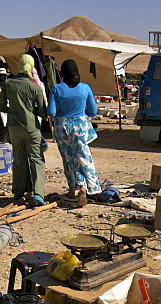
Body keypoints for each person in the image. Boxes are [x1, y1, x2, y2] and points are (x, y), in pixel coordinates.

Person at [48, 59, 101, 205]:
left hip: (62, 127)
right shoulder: (85, 88)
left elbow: (51, 112)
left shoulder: (56, 89)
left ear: (62, 73)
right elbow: (93, 111)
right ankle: (88, 188)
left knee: (68, 159)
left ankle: (72, 190)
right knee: (83, 157)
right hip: (81, 126)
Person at [0, 54, 47, 208]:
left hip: (13, 127)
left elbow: (0, 107)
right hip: (31, 127)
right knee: (36, 159)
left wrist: (13, 111)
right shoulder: (34, 86)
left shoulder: (8, 84)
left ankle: (18, 192)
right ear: (31, 68)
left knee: (19, 159)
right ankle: (38, 193)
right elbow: (43, 112)